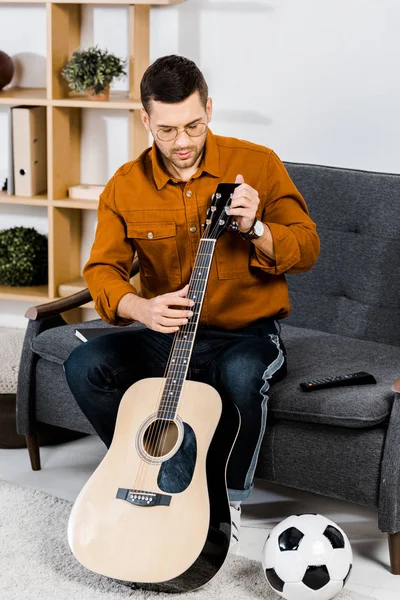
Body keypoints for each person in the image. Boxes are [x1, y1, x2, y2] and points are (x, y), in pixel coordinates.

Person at [64, 55, 320, 549]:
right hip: (167, 336)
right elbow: (102, 271)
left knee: (243, 375)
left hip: (245, 333)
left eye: (193, 125)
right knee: (84, 365)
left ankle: (228, 505)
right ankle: (146, 469)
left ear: (209, 108)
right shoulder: (124, 185)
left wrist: (257, 228)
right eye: (166, 130)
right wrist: (141, 308)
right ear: (144, 119)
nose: (181, 142)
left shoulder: (258, 163)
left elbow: (307, 248)